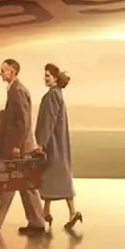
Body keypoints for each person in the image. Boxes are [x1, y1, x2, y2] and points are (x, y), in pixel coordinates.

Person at [0, 58, 46, 234]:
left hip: (20, 147)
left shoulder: (17, 91)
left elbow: (23, 121)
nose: (1, 74)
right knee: (20, 184)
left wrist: (17, 145)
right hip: (24, 145)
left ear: (13, 71)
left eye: (3, 70)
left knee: (15, 183)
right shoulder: (15, 89)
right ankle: (32, 222)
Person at [36, 63, 82, 231]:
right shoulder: (56, 94)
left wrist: (41, 143)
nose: (45, 78)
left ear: (55, 78)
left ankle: (70, 212)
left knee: (54, 175)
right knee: (52, 176)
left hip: (52, 144)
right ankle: (47, 211)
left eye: (48, 76)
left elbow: (48, 121)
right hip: (56, 142)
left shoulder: (52, 96)